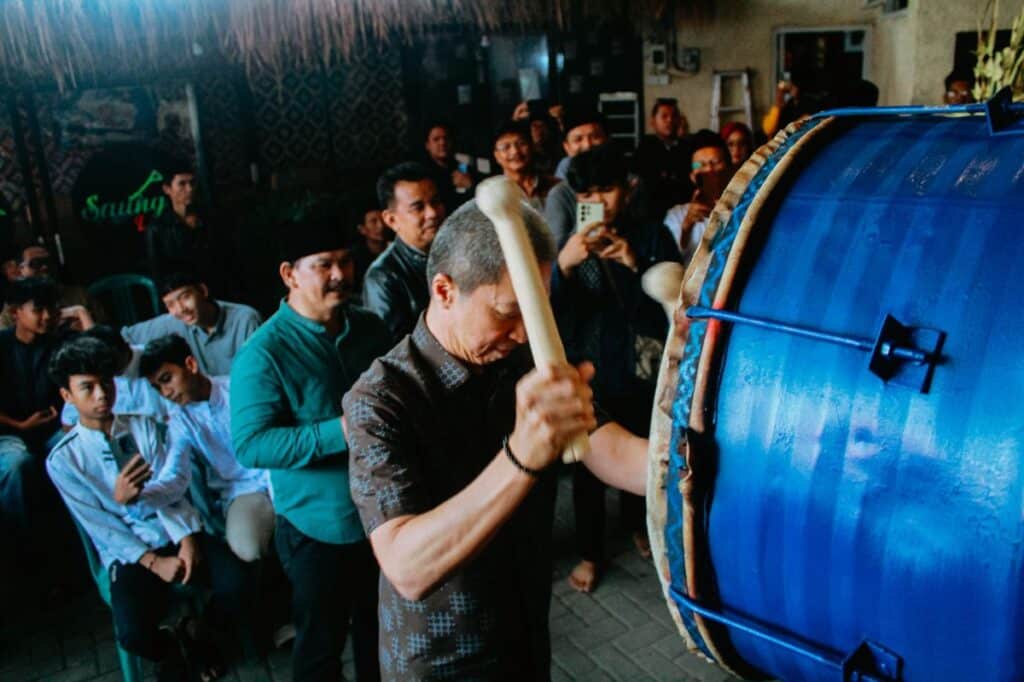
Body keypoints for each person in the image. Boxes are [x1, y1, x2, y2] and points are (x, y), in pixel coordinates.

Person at [343, 200, 649, 680]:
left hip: (525, 633)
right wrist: (522, 456)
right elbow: (407, 567)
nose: (525, 334)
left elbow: (613, 450)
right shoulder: (379, 399)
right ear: (444, 290)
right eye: (508, 312)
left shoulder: (523, 358)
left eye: (536, 311)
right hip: (441, 658)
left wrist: (699, 458)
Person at [232, 222, 389, 681]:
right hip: (320, 529)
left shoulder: (369, 328)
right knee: (319, 649)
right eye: (324, 265)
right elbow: (251, 443)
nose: (340, 274)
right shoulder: (264, 354)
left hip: (381, 513)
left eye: (344, 261)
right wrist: (339, 431)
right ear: (290, 274)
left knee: (377, 634)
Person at [46, 335, 252, 681]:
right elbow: (100, 526)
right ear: (67, 396)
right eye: (87, 388)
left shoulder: (144, 426)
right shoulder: (64, 459)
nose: (101, 395)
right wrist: (153, 561)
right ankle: (169, 648)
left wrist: (187, 541)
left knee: (237, 583)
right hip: (132, 552)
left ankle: (198, 633)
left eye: (106, 383)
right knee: (133, 634)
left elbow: (173, 491)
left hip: (175, 532)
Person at [552, 144, 682, 592]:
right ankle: (591, 553)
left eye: (607, 190)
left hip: (642, 368)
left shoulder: (651, 237)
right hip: (590, 369)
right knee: (588, 474)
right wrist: (563, 268)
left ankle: (636, 526)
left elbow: (668, 313)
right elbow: (551, 315)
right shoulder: (568, 244)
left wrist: (633, 264)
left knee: (641, 453)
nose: (599, 203)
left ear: (626, 190)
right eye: (587, 193)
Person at [140, 334, 273, 563]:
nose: (166, 393)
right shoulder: (180, 422)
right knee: (247, 547)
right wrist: (140, 495)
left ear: (190, 365)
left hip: (280, 472)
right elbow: (175, 477)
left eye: (167, 379)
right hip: (244, 490)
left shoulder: (238, 388)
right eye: (157, 387)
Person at [363, 162, 446, 343]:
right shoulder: (382, 277)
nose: (432, 213)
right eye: (418, 208)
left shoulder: (456, 251)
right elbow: (396, 352)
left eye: (435, 202)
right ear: (391, 220)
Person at [121, 271, 262, 376]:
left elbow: (257, 374)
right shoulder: (175, 320)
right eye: (170, 305)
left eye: (185, 297)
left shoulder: (245, 319)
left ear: (203, 291)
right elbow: (126, 336)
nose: (181, 309)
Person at [60, 325, 172, 428]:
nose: (107, 366)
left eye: (111, 358)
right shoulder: (92, 371)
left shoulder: (158, 359)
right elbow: (68, 422)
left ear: (125, 346)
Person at [663, 129, 735, 264]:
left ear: (729, 170)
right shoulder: (676, 215)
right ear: (691, 176)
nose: (708, 169)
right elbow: (669, 259)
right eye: (700, 165)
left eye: (715, 162)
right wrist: (686, 226)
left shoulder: (744, 206)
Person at [545, 110, 611, 247]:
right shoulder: (560, 194)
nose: (587, 145)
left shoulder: (628, 184)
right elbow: (556, 250)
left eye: (595, 136)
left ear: (607, 140)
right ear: (567, 147)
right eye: (578, 139)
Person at [631, 98, 693, 220]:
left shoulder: (686, 147)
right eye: (664, 116)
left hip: (683, 210)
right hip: (653, 211)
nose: (670, 120)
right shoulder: (645, 147)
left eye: (674, 116)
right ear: (653, 122)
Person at [492, 119, 561, 213]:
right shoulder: (493, 194)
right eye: (506, 147)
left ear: (532, 147)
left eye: (521, 144)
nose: (515, 151)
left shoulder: (556, 186)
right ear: (497, 156)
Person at [422, 122, 475, 211]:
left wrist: (470, 186)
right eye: (436, 139)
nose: (442, 143)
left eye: (446, 138)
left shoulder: (463, 167)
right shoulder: (423, 173)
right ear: (428, 145)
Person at [351, 203, 392, 293]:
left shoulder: (395, 251)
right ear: (362, 229)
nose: (381, 226)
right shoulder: (356, 259)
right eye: (373, 221)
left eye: (382, 220)